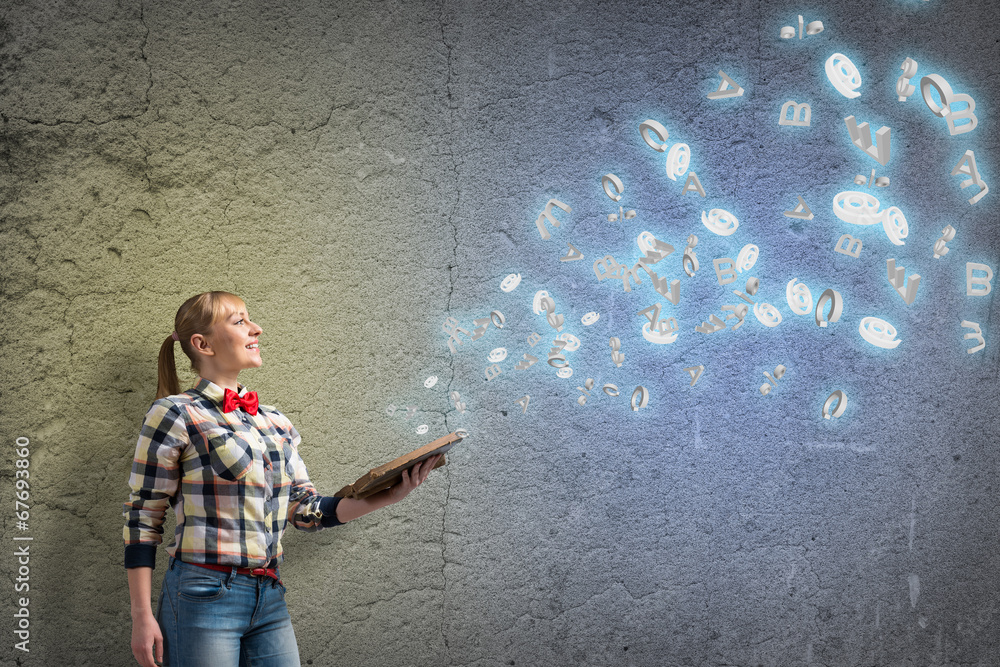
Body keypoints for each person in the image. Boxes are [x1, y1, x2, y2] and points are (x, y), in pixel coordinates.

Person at [123, 291, 442, 667]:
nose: (256, 328)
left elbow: (304, 509)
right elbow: (143, 516)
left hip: (270, 594)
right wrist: (142, 616)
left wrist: (388, 495)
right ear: (201, 343)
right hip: (202, 593)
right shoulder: (174, 413)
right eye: (240, 321)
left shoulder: (274, 422)